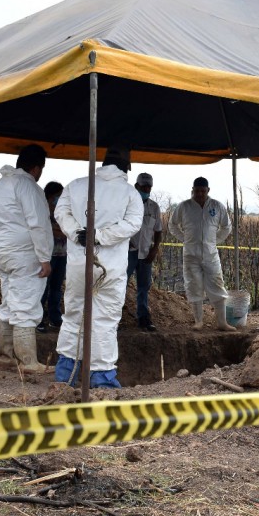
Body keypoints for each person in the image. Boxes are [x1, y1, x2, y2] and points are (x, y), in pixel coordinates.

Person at [53, 147, 143, 388]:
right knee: (104, 319)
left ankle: (66, 373)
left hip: (78, 265)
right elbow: (133, 223)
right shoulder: (129, 193)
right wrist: (99, 235)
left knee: (73, 314)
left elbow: (60, 212)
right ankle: (101, 379)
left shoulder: (76, 185)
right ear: (126, 168)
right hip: (108, 268)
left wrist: (79, 234)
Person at [0, 144, 53, 373]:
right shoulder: (28, 186)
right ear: (36, 168)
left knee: (8, 304)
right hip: (26, 255)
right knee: (26, 305)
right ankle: (28, 362)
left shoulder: (0, 186)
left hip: (5, 253)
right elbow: (38, 223)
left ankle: (5, 357)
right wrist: (45, 258)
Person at [169, 177, 235, 331]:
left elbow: (226, 227)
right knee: (194, 286)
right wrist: (184, 238)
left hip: (211, 254)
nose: (199, 194)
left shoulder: (217, 206)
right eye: (196, 191)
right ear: (192, 190)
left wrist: (214, 240)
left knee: (217, 286)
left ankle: (222, 322)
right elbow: (172, 225)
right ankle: (198, 321)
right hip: (191, 254)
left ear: (208, 191)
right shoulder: (184, 207)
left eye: (202, 191)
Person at [127, 172, 163, 331]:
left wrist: (155, 249)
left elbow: (158, 231)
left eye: (149, 187)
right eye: (143, 186)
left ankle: (143, 318)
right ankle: (113, 318)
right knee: (120, 285)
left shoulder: (154, 207)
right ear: (136, 186)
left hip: (146, 253)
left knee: (143, 287)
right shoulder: (127, 204)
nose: (146, 189)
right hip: (128, 252)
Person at [38, 181, 67, 333]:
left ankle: (55, 318)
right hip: (47, 256)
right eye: (57, 196)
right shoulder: (42, 212)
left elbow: (66, 229)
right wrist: (64, 231)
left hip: (62, 254)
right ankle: (39, 319)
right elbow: (50, 230)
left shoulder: (62, 212)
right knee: (43, 288)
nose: (59, 199)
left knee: (56, 288)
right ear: (49, 196)